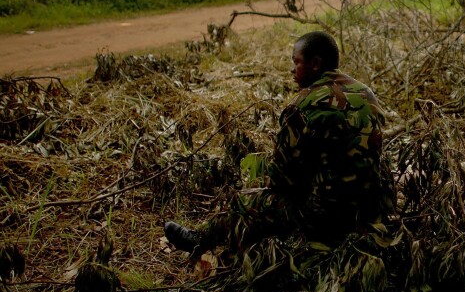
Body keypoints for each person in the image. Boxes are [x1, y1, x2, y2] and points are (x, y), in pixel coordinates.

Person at [164, 31, 392, 253]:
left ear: (315, 63)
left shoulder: (302, 106)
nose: (292, 70)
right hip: (373, 209)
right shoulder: (365, 93)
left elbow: (283, 182)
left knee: (247, 200)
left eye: (297, 62)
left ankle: (199, 240)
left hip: (327, 219)